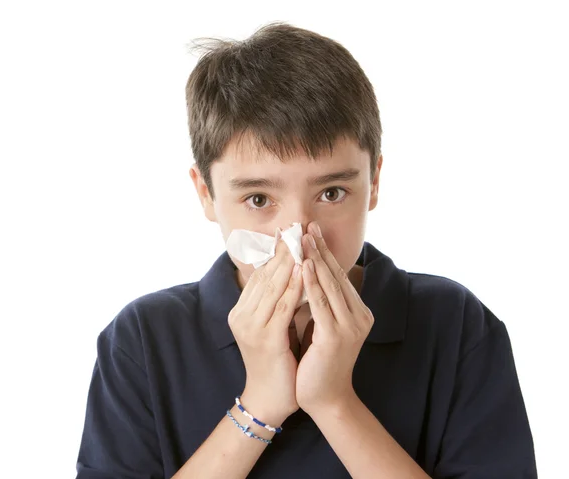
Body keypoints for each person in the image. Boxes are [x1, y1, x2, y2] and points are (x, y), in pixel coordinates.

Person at [75, 22, 537, 478]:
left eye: (332, 193)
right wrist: (260, 405)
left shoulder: (456, 325)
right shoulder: (142, 339)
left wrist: (335, 403)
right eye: (258, 200)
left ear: (373, 182)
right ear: (206, 195)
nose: (296, 236)